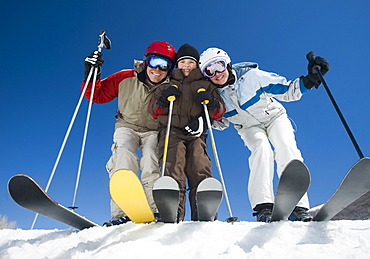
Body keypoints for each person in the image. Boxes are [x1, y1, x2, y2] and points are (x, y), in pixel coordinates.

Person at [198, 48, 330, 222]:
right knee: (261, 149)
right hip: (248, 127)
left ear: (227, 64)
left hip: (275, 118)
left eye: (219, 66)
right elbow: (221, 123)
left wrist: (310, 79)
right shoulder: (216, 96)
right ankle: (264, 206)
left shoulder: (252, 77)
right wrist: (204, 117)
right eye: (209, 70)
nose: (217, 73)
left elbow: (287, 90)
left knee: (286, 148)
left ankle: (299, 206)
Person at [82, 41, 176, 226]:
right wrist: (92, 74)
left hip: (153, 130)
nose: (157, 69)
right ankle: (121, 213)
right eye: (155, 61)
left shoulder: (171, 86)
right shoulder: (125, 77)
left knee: (151, 158)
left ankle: (155, 208)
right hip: (127, 126)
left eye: (164, 65)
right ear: (146, 61)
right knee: (123, 154)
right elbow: (97, 95)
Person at [149, 44, 225, 222]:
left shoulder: (206, 85)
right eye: (182, 62)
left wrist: (211, 105)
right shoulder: (168, 84)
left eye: (190, 62)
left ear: (196, 65)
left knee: (199, 165)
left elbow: (219, 111)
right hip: (172, 131)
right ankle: (174, 210)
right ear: (177, 65)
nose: (186, 66)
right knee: (173, 166)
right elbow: (152, 110)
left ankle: (203, 209)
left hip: (196, 132)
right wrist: (164, 99)